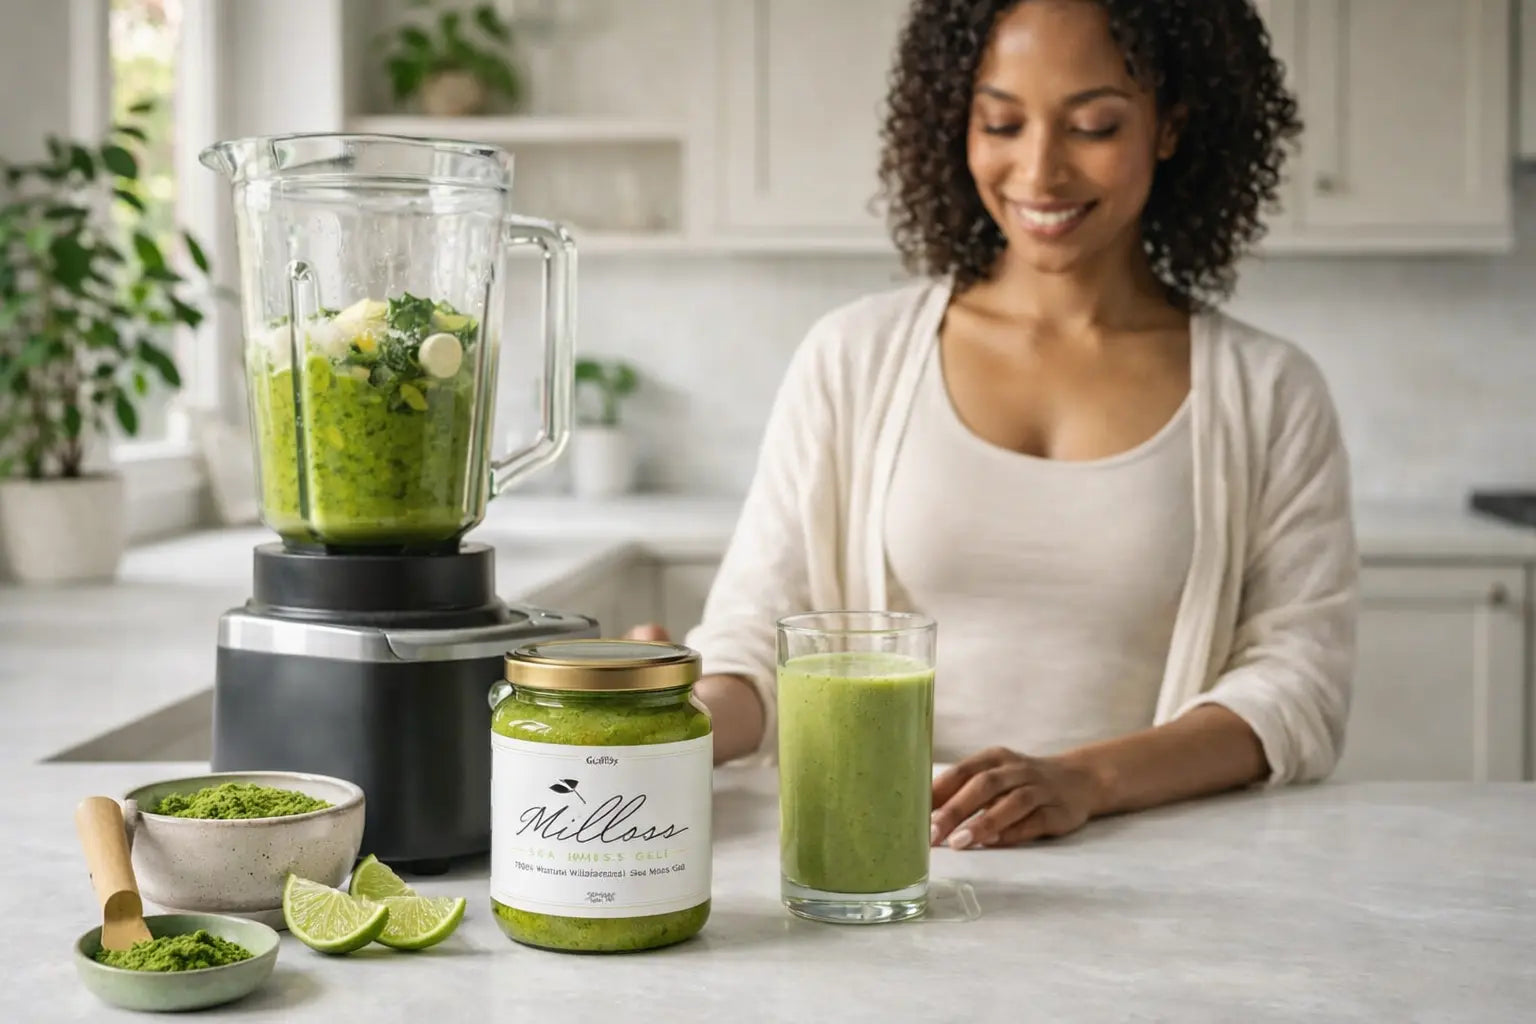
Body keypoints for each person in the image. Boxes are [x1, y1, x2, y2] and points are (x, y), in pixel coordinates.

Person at [628, 0, 1357, 851]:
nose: (1040, 170)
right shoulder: (853, 358)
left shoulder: (1269, 392)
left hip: (1158, 874)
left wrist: (1085, 781)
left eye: (1093, 126)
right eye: (1002, 123)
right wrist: (668, 723)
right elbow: (758, 639)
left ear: (1170, 125)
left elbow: (1298, 687)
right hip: (881, 864)